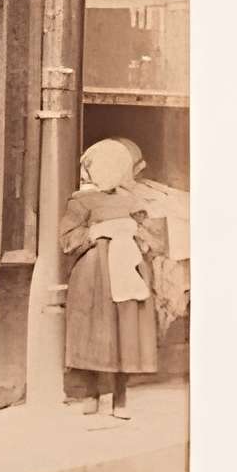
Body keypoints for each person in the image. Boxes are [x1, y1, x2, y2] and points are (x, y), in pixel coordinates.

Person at [61, 136, 169, 421]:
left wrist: (136, 231)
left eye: (115, 165)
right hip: (92, 277)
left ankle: (120, 397)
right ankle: (91, 392)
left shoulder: (134, 202)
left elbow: (157, 242)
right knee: (94, 331)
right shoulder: (81, 201)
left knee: (126, 332)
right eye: (102, 165)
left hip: (128, 272)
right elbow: (67, 241)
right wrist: (95, 233)